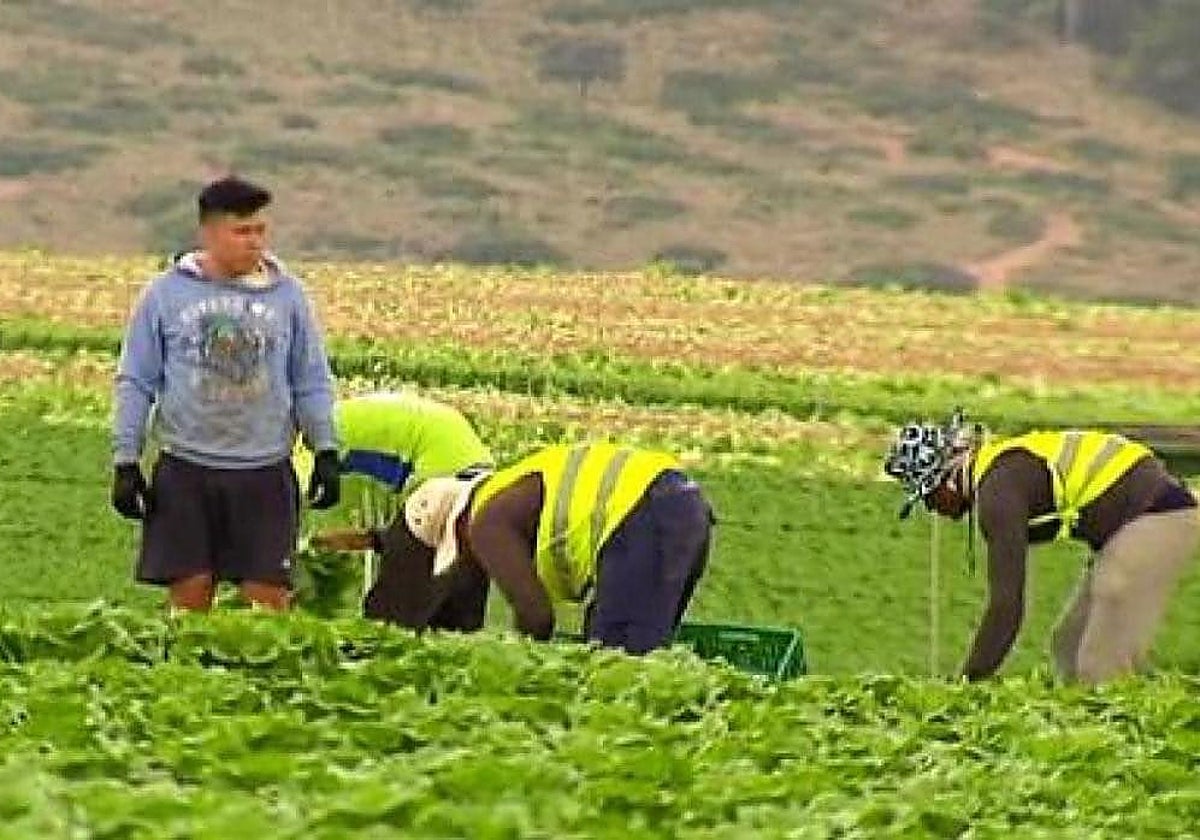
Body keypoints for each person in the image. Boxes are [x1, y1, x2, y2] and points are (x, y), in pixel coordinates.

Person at [111, 175, 342, 612]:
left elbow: (309, 378)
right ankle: (186, 680)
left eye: (260, 231)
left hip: (264, 470)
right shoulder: (165, 295)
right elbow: (136, 379)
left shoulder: (289, 297)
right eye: (241, 232)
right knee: (190, 598)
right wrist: (126, 459)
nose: (253, 243)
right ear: (209, 232)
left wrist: (326, 449)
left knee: (268, 601)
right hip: (186, 468)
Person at [883, 409, 1199, 685]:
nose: (935, 509)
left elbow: (1006, 608)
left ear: (947, 480)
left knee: (1099, 665)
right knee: (1069, 646)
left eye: (929, 497)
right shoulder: (999, 470)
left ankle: (1133, 742)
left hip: (1158, 515)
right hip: (1128, 525)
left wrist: (966, 684)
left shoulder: (998, 493)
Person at [315, 441, 716, 654]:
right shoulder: (513, 488)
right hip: (681, 507)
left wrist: (517, 673)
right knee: (634, 654)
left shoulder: (486, 521)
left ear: (458, 525)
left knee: (618, 666)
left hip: (644, 514)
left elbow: (536, 616)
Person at [291, 390, 493, 529]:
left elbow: (291, 496)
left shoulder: (309, 440)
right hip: (463, 444)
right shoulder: (335, 415)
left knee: (416, 546)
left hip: (442, 456)